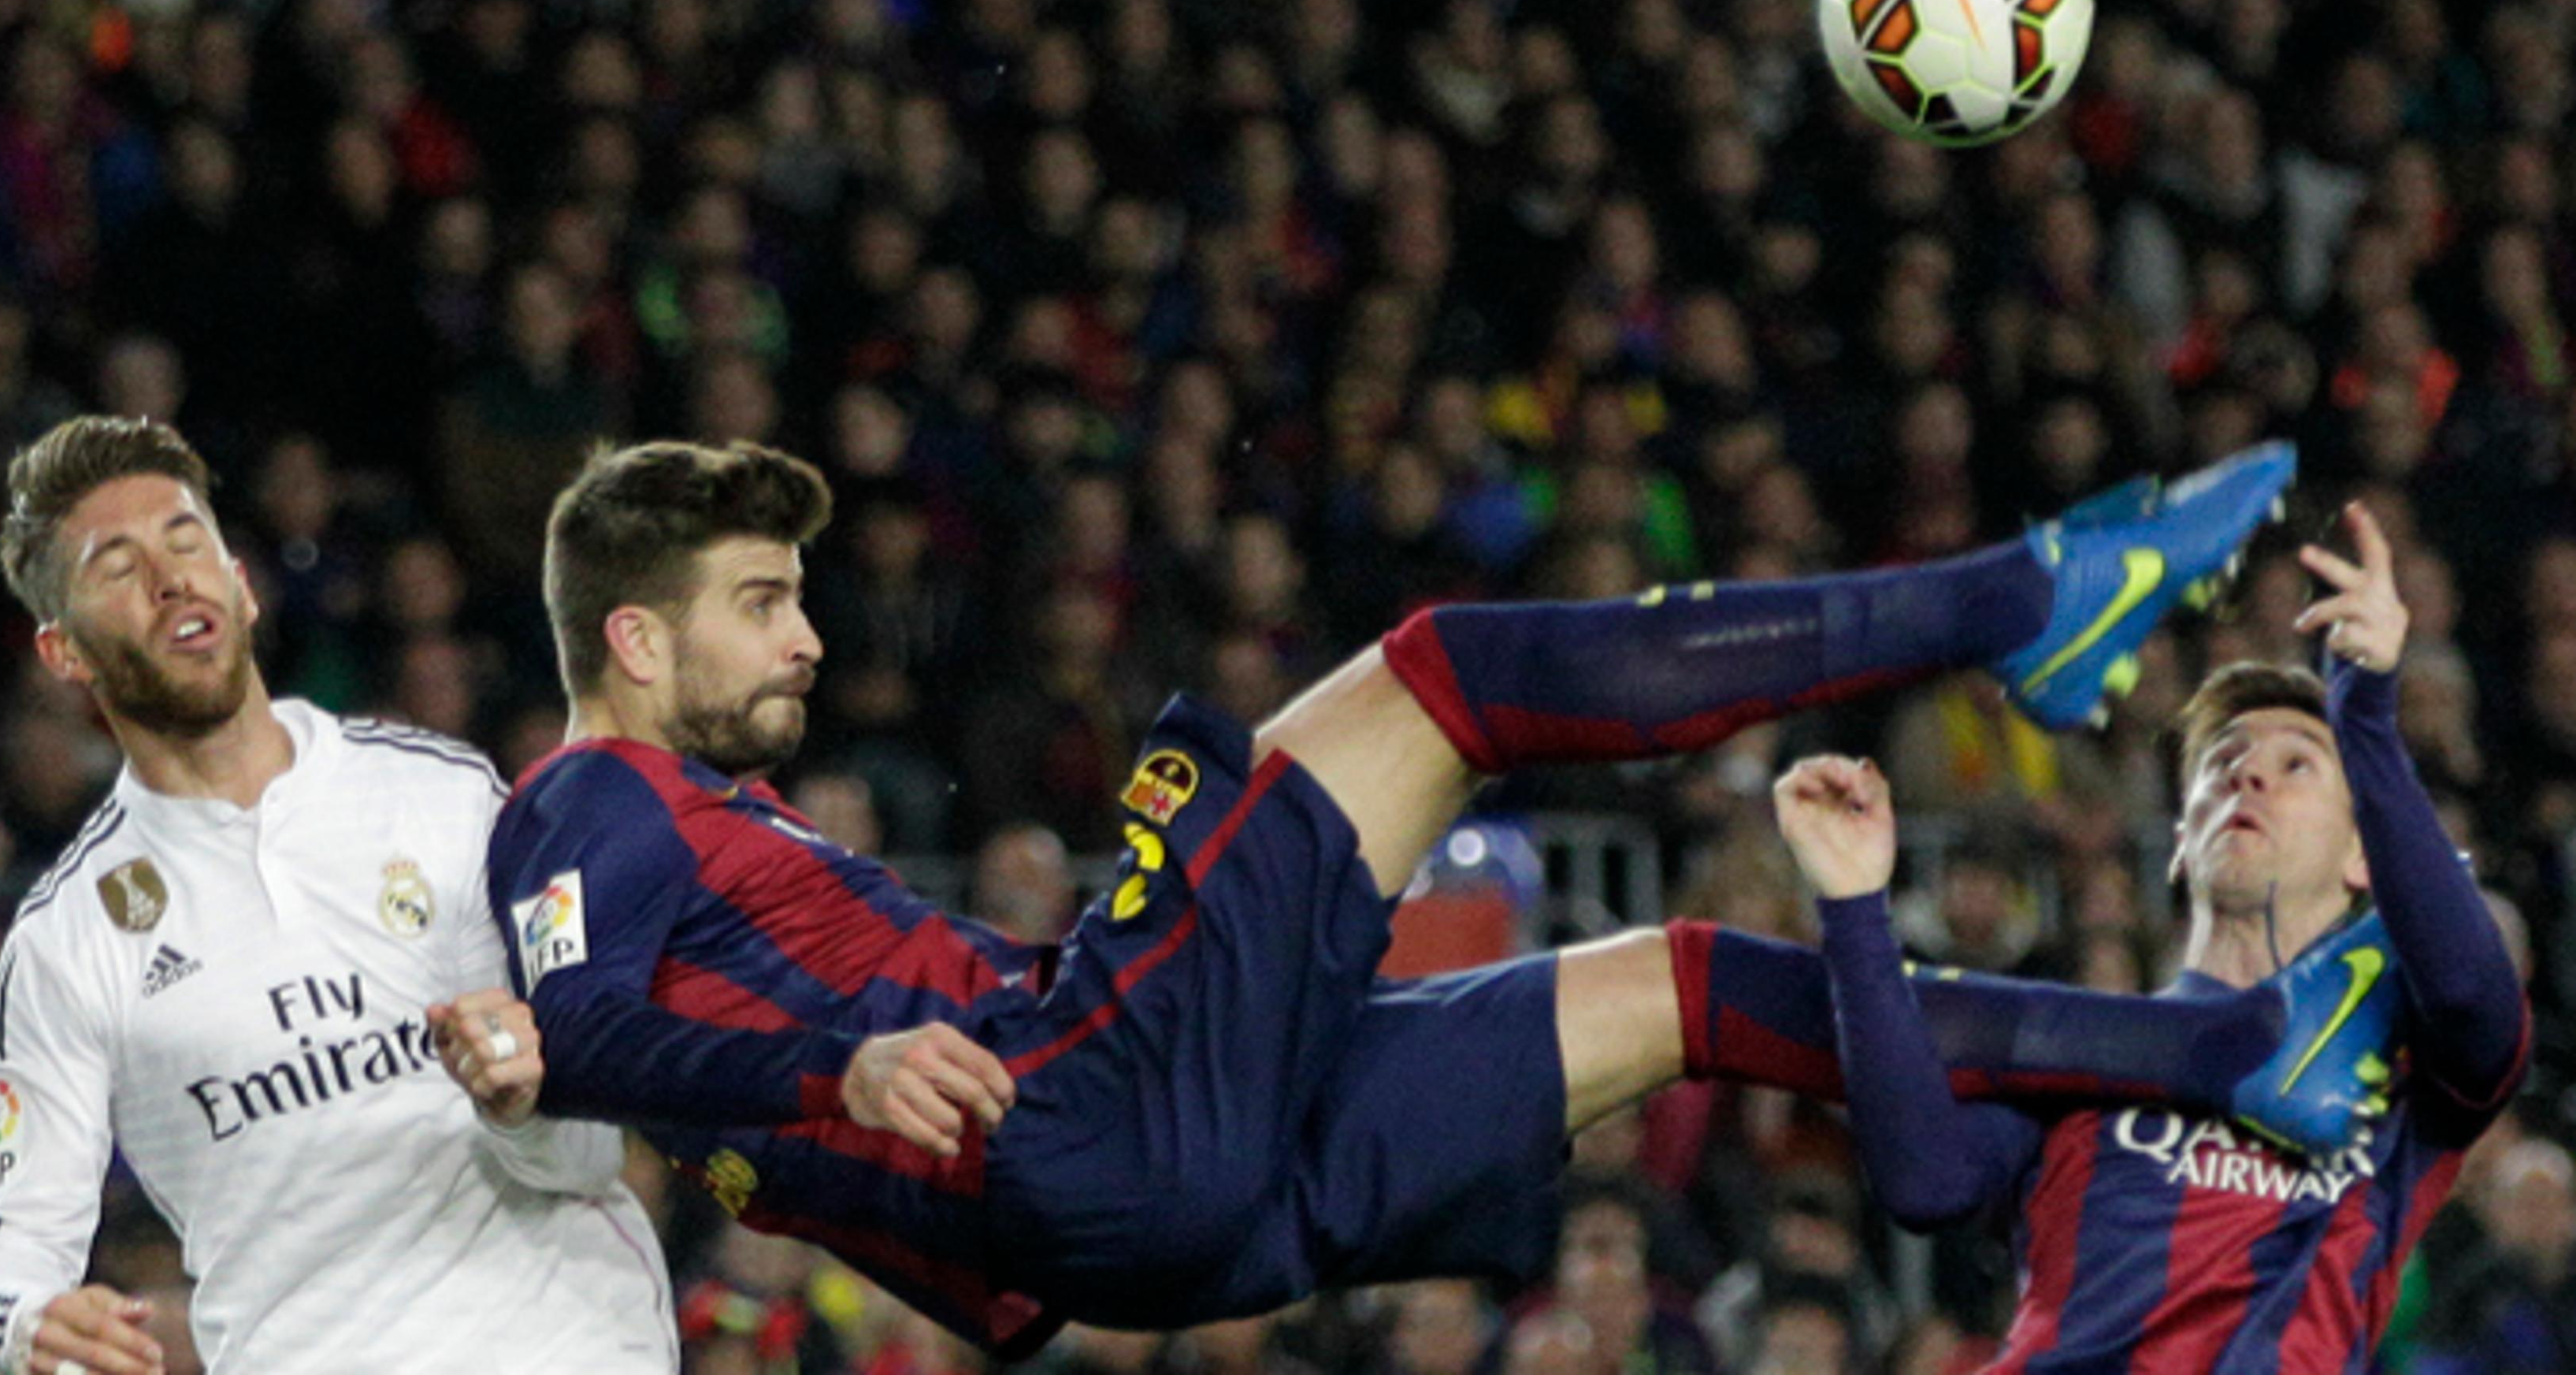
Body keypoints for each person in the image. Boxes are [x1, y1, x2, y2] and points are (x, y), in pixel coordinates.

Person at [478, 437, 2356, 1356]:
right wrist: (852, 1073)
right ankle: (2023, 599)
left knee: (1680, 982)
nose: (807, 635)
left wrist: (981, 1256)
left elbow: (683, 1076)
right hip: (1084, 1104)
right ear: (632, 639)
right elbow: (576, 1034)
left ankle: (2217, 1051)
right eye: (759, 603)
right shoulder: (589, 800)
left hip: (1134, 1221)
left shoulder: (696, 818)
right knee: (1444, 674)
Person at [0, 418, 674, 1375]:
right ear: (65, 654)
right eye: (116, 568)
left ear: (241, 585)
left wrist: (526, 1105)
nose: (171, 580)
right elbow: (4, 1247)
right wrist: (30, 1320)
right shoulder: (68, 937)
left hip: (566, 1343)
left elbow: (588, 1149)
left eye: (187, 542)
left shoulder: (442, 794)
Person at [1773, 500, 2527, 1371]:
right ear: (2179, 843)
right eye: (2220, 766)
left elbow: (2476, 991)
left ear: (2367, 853)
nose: (2246, 772)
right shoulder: (2087, 1050)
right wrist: (1854, 906)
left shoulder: (2397, 1074)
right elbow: (1926, 1180)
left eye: (2296, 767)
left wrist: (2364, 715)